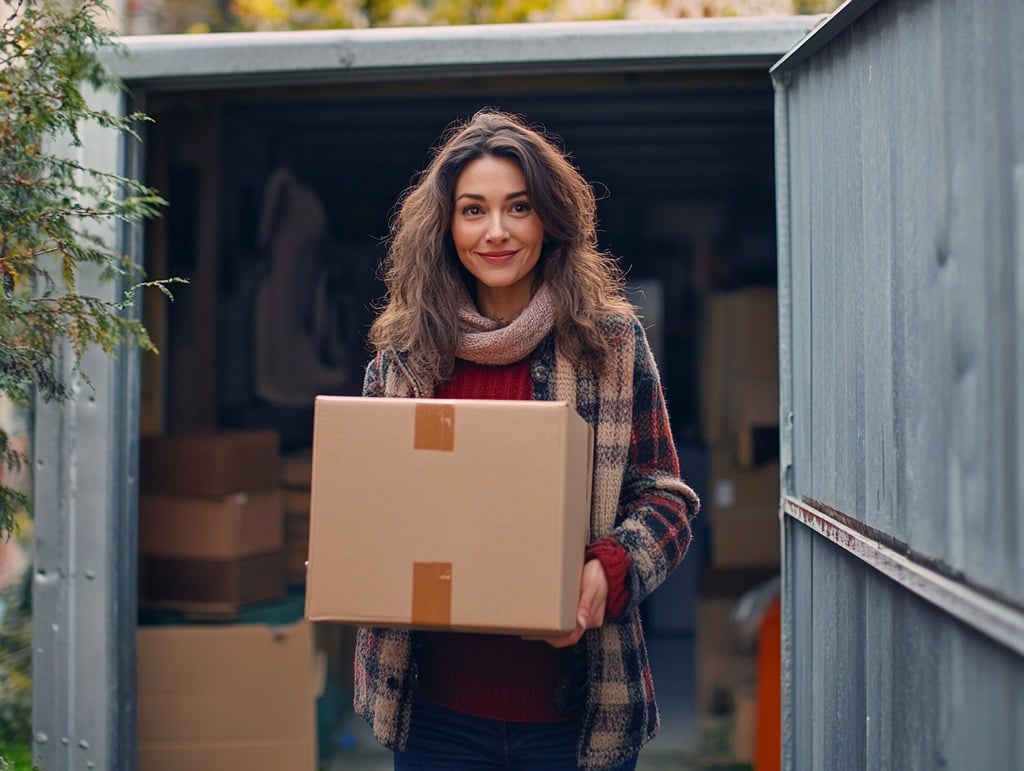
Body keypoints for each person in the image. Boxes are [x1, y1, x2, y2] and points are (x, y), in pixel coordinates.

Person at [355, 109, 699, 771]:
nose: (496, 231)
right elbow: (372, 509)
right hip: (437, 720)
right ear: (446, 226)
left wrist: (609, 570)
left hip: (576, 717)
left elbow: (668, 499)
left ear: (549, 219)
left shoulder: (611, 346)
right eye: (473, 210)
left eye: (518, 207)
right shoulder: (403, 360)